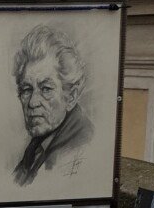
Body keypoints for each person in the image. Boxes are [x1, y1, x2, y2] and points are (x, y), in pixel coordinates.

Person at [12, 24, 94, 187]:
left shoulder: (79, 150)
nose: (33, 103)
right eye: (27, 90)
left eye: (46, 89)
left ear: (71, 96)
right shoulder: (37, 147)